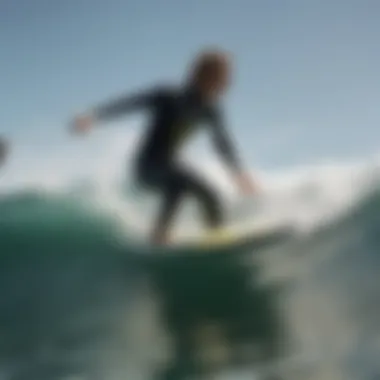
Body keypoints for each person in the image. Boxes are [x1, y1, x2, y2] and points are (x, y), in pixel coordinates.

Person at [70, 48, 258, 244]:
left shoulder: (210, 110)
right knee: (179, 184)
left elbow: (223, 144)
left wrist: (240, 175)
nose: (227, 81)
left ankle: (217, 238)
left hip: (170, 166)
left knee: (210, 195)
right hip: (147, 166)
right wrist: (93, 116)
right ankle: (159, 236)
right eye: (223, 75)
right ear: (206, 74)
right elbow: (131, 103)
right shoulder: (169, 96)